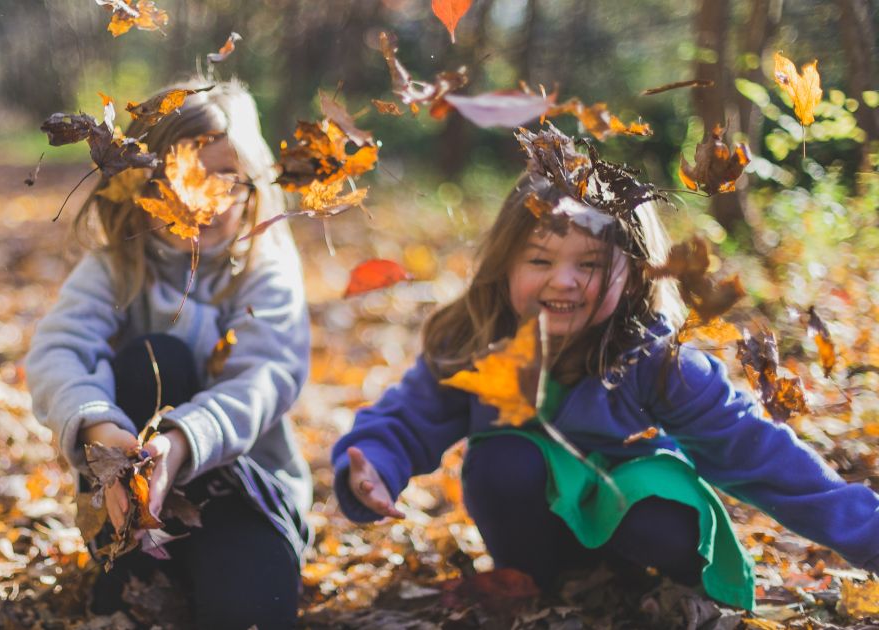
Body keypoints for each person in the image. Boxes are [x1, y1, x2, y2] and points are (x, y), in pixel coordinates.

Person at [332, 157, 879, 610]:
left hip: (638, 524)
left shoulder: (657, 359)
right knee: (502, 461)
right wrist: (377, 463)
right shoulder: (477, 340)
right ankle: (537, 587)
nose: (563, 280)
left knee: (657, 511)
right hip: (535, 524)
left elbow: (760, 455)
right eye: (540, 259)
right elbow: (408, 417)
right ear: (505, 264)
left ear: (636, 273)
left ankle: (645, 589)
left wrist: (869, 535)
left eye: (590, 264)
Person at [26, 79, 310, 629]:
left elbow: (268, 376)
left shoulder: (264, 269)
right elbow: (59, 350)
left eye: (224, 177)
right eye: (180, 175)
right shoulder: (117, 268)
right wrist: (100, 435)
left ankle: (225, 567)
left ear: (250, 179)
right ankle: (129, 567)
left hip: (243, 492)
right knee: (154, 357)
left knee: (251, 613)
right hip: (129, 505)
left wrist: (183, 442)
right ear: (140, 182)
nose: (201, 197)